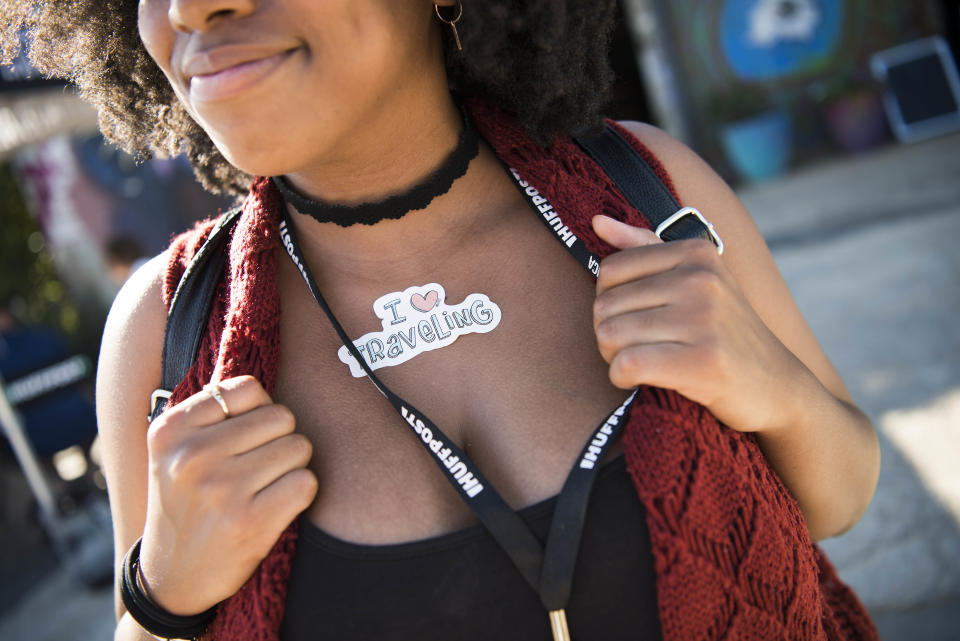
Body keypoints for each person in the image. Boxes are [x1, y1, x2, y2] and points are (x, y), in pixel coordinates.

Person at [3, 2, 881, 640]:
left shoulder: (654, 190)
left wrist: (778, 393)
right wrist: (164, 594)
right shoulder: (166, 330)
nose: (193, 6)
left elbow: (843, 495)